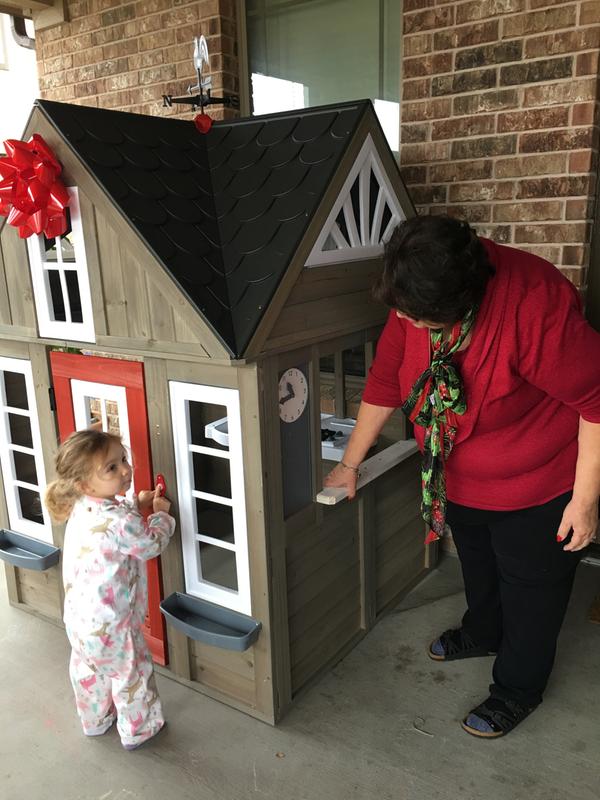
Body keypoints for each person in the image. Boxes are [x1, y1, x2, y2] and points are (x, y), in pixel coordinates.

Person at [324, 214, 600, 738]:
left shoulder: (534, 305)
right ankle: (483, 630)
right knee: (477, 560)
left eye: (421, 322)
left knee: (531, 589)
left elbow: (597, 399)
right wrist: (348, 463)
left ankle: (518, 688)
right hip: (455, 470)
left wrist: (584, 502)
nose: (409, 325)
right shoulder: (414, 295)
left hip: (538, 480)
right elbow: (385, 378)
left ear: (461, 303)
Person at [44, 429, 176, 750]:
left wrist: (134, 502)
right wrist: (160, 515)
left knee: (89, 672)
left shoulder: (81, 507)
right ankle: (139, 731)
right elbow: (148, 543)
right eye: (112, 468)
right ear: (84, 484)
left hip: (79, 623)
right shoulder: (120, 521)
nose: (126, 470)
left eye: (123, 460)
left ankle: (95, 720)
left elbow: (112, 520)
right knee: (132, 677)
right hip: (115, 628)